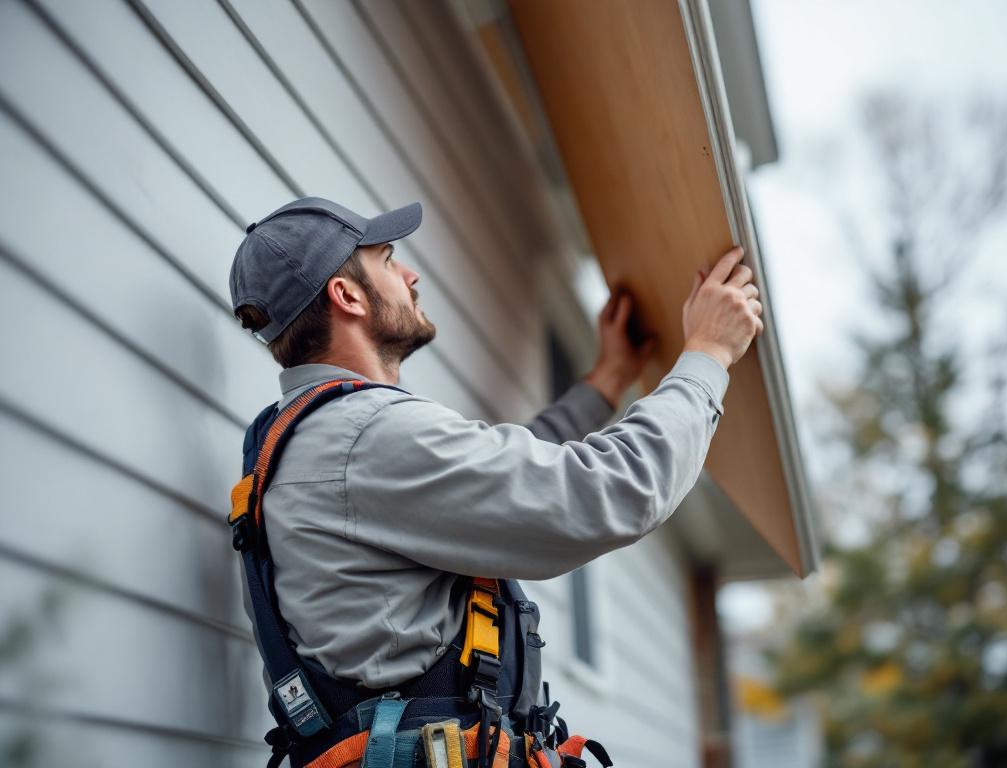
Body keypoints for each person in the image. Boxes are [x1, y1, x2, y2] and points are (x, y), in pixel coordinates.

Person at [228, 197, 762, 767]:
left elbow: (494, 481)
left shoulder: (308, 437)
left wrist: (606, 382)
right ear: (348, 295)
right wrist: (708, 354)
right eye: (386, 260)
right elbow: (610, 490)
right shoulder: (367, 434)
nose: (410, 275)